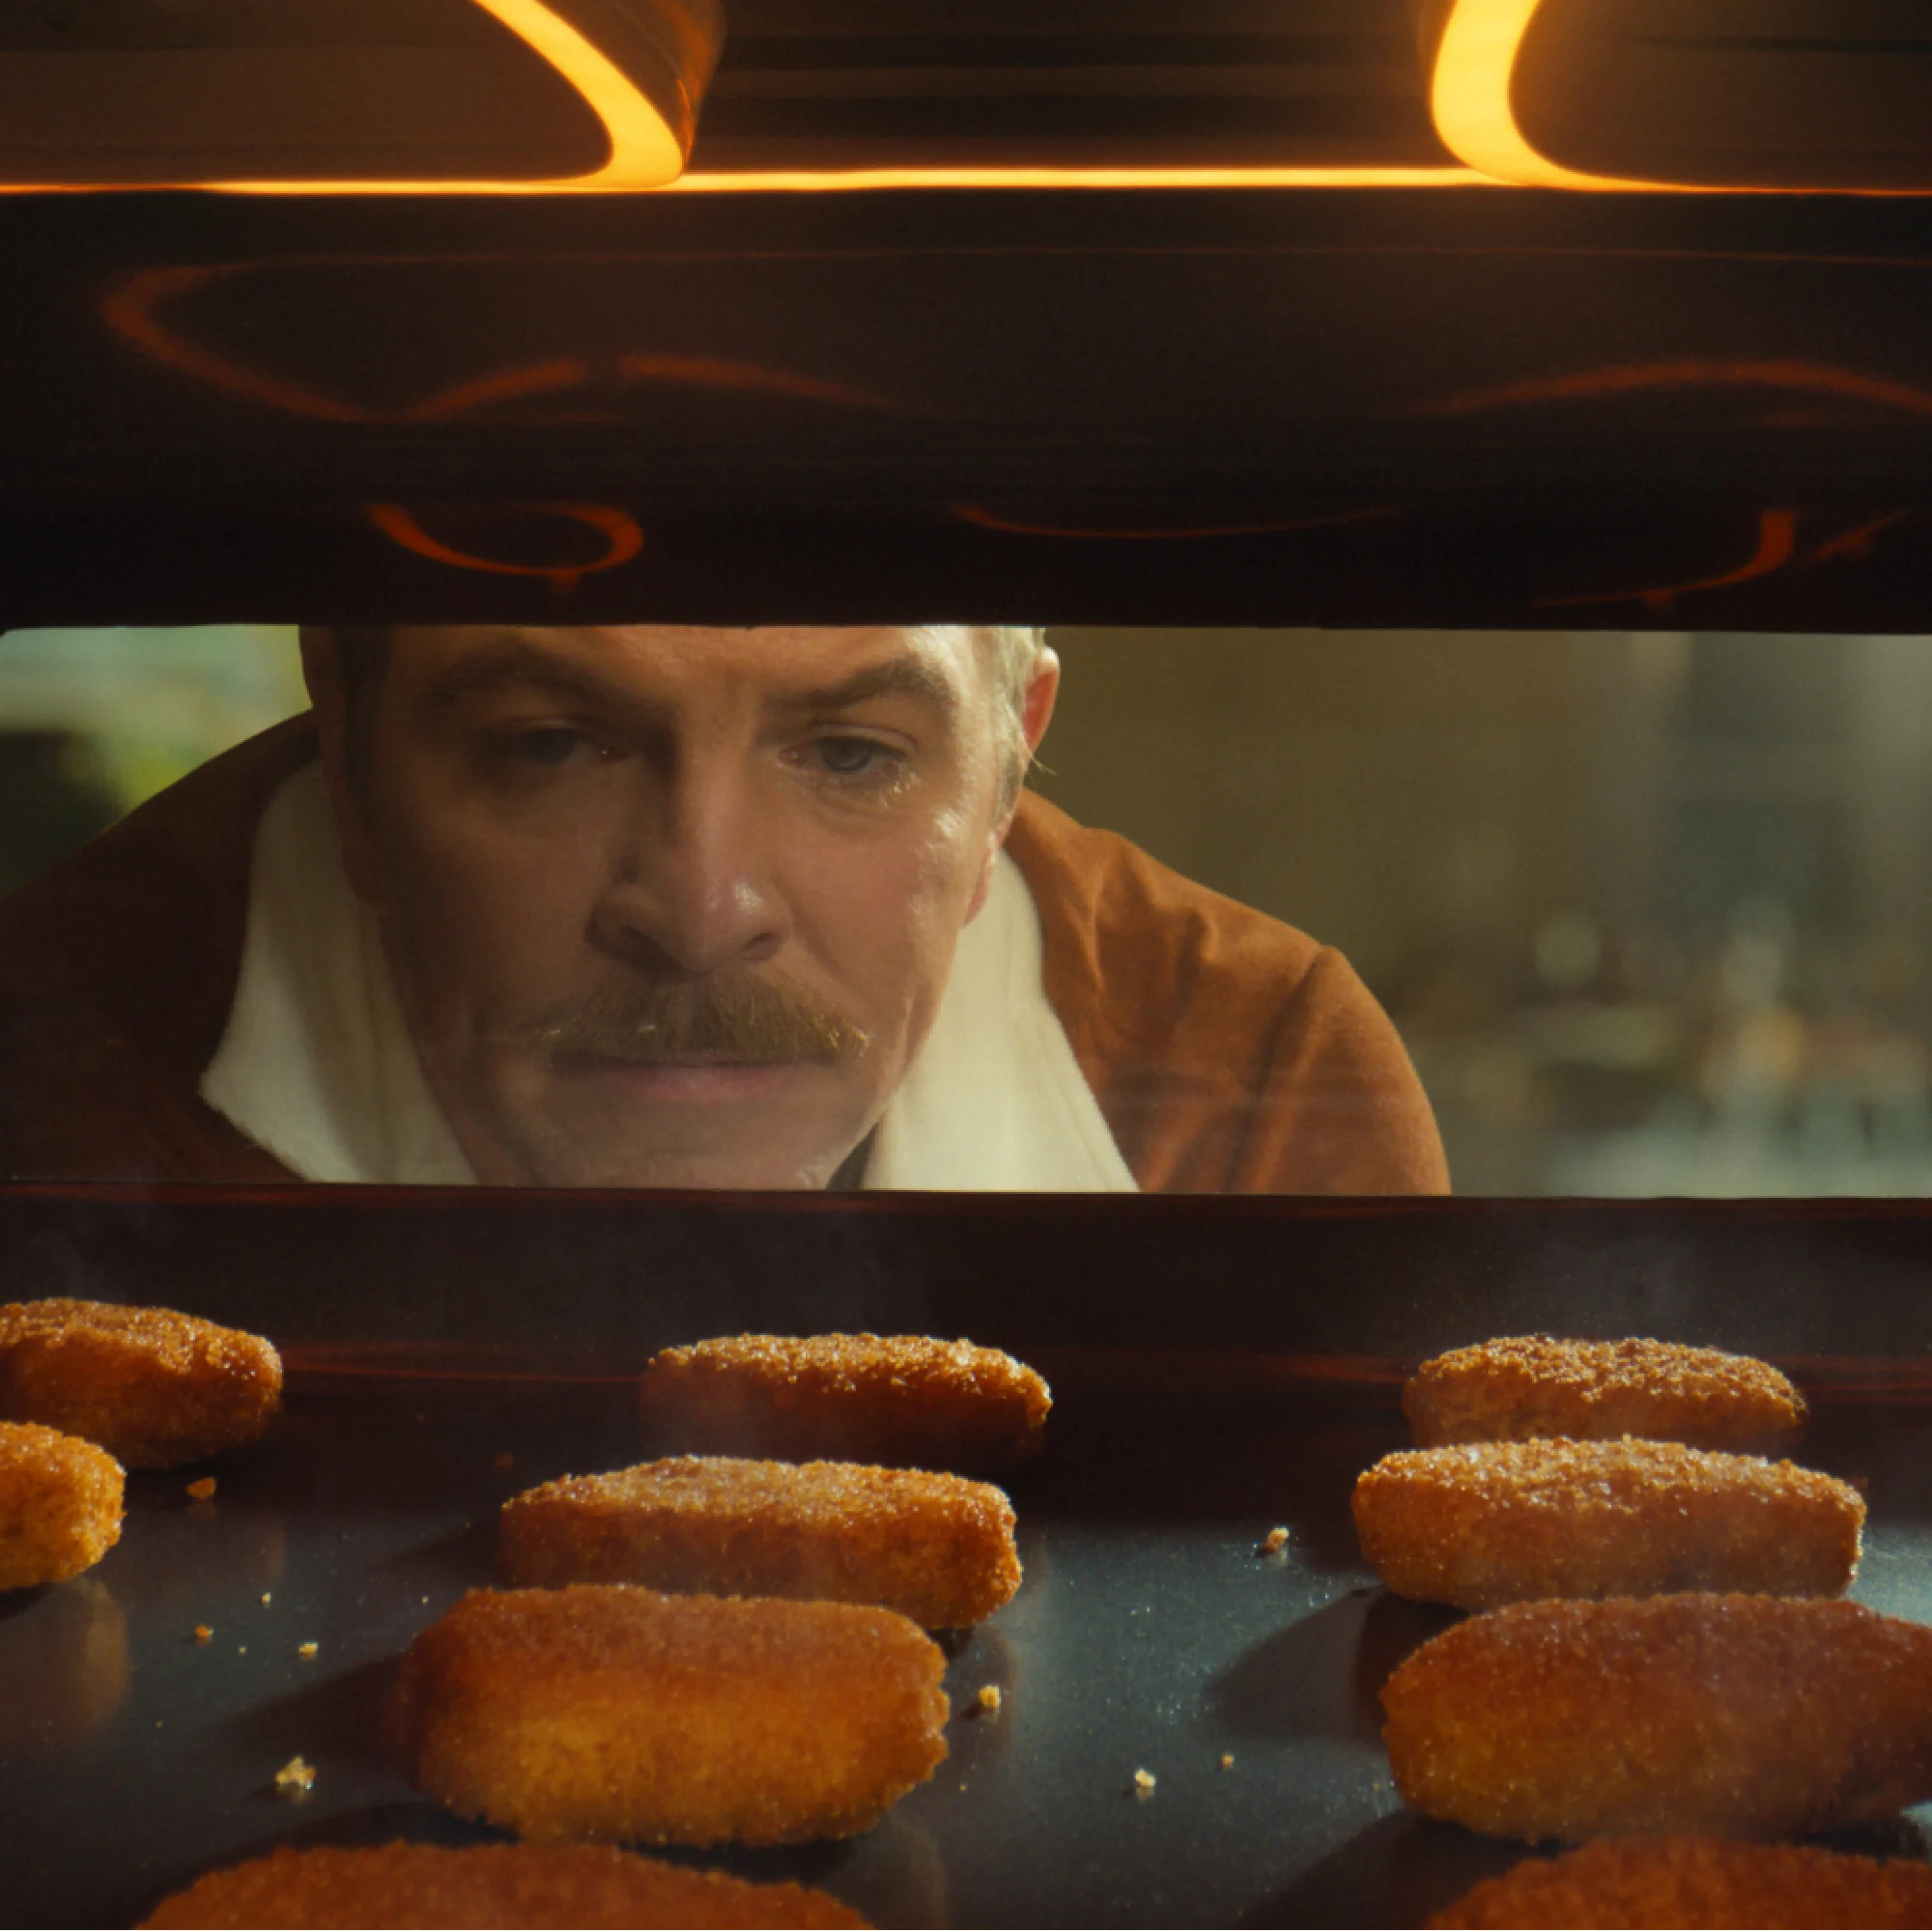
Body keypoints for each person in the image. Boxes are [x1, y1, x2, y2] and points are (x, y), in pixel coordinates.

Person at [0, 625, 1448, 1194]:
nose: (699, 913)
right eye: (551, 742)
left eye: (847, 757)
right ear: (353, 756)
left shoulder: (1254, 1093)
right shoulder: (46, 1076)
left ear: (1009, 762)